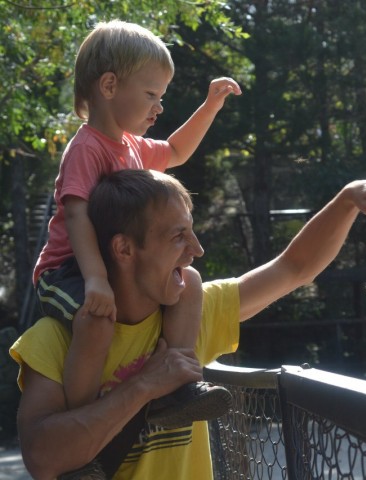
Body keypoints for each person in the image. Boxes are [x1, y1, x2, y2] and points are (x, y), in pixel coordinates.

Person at [11, 169, 366, 479]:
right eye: (178, 236)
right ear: (124, 248)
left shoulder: (191, 309)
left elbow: (293, 269)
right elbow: (43, 458)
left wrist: (346, 199)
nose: (196, 249)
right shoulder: (54, 338)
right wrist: (144, 386)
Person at [32, 19, 242, 428]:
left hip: (112, 266)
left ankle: (179, 385)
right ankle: (84, 423)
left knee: (192, 283)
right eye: (151, 94)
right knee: (95, 321)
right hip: (67, 269)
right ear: (109, 86)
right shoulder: (86, 148)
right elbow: (76, 215)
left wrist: (210, 105)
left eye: (161, 96)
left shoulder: (131, 146)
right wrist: (94, 279)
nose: (159, 107)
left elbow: (178, 150)